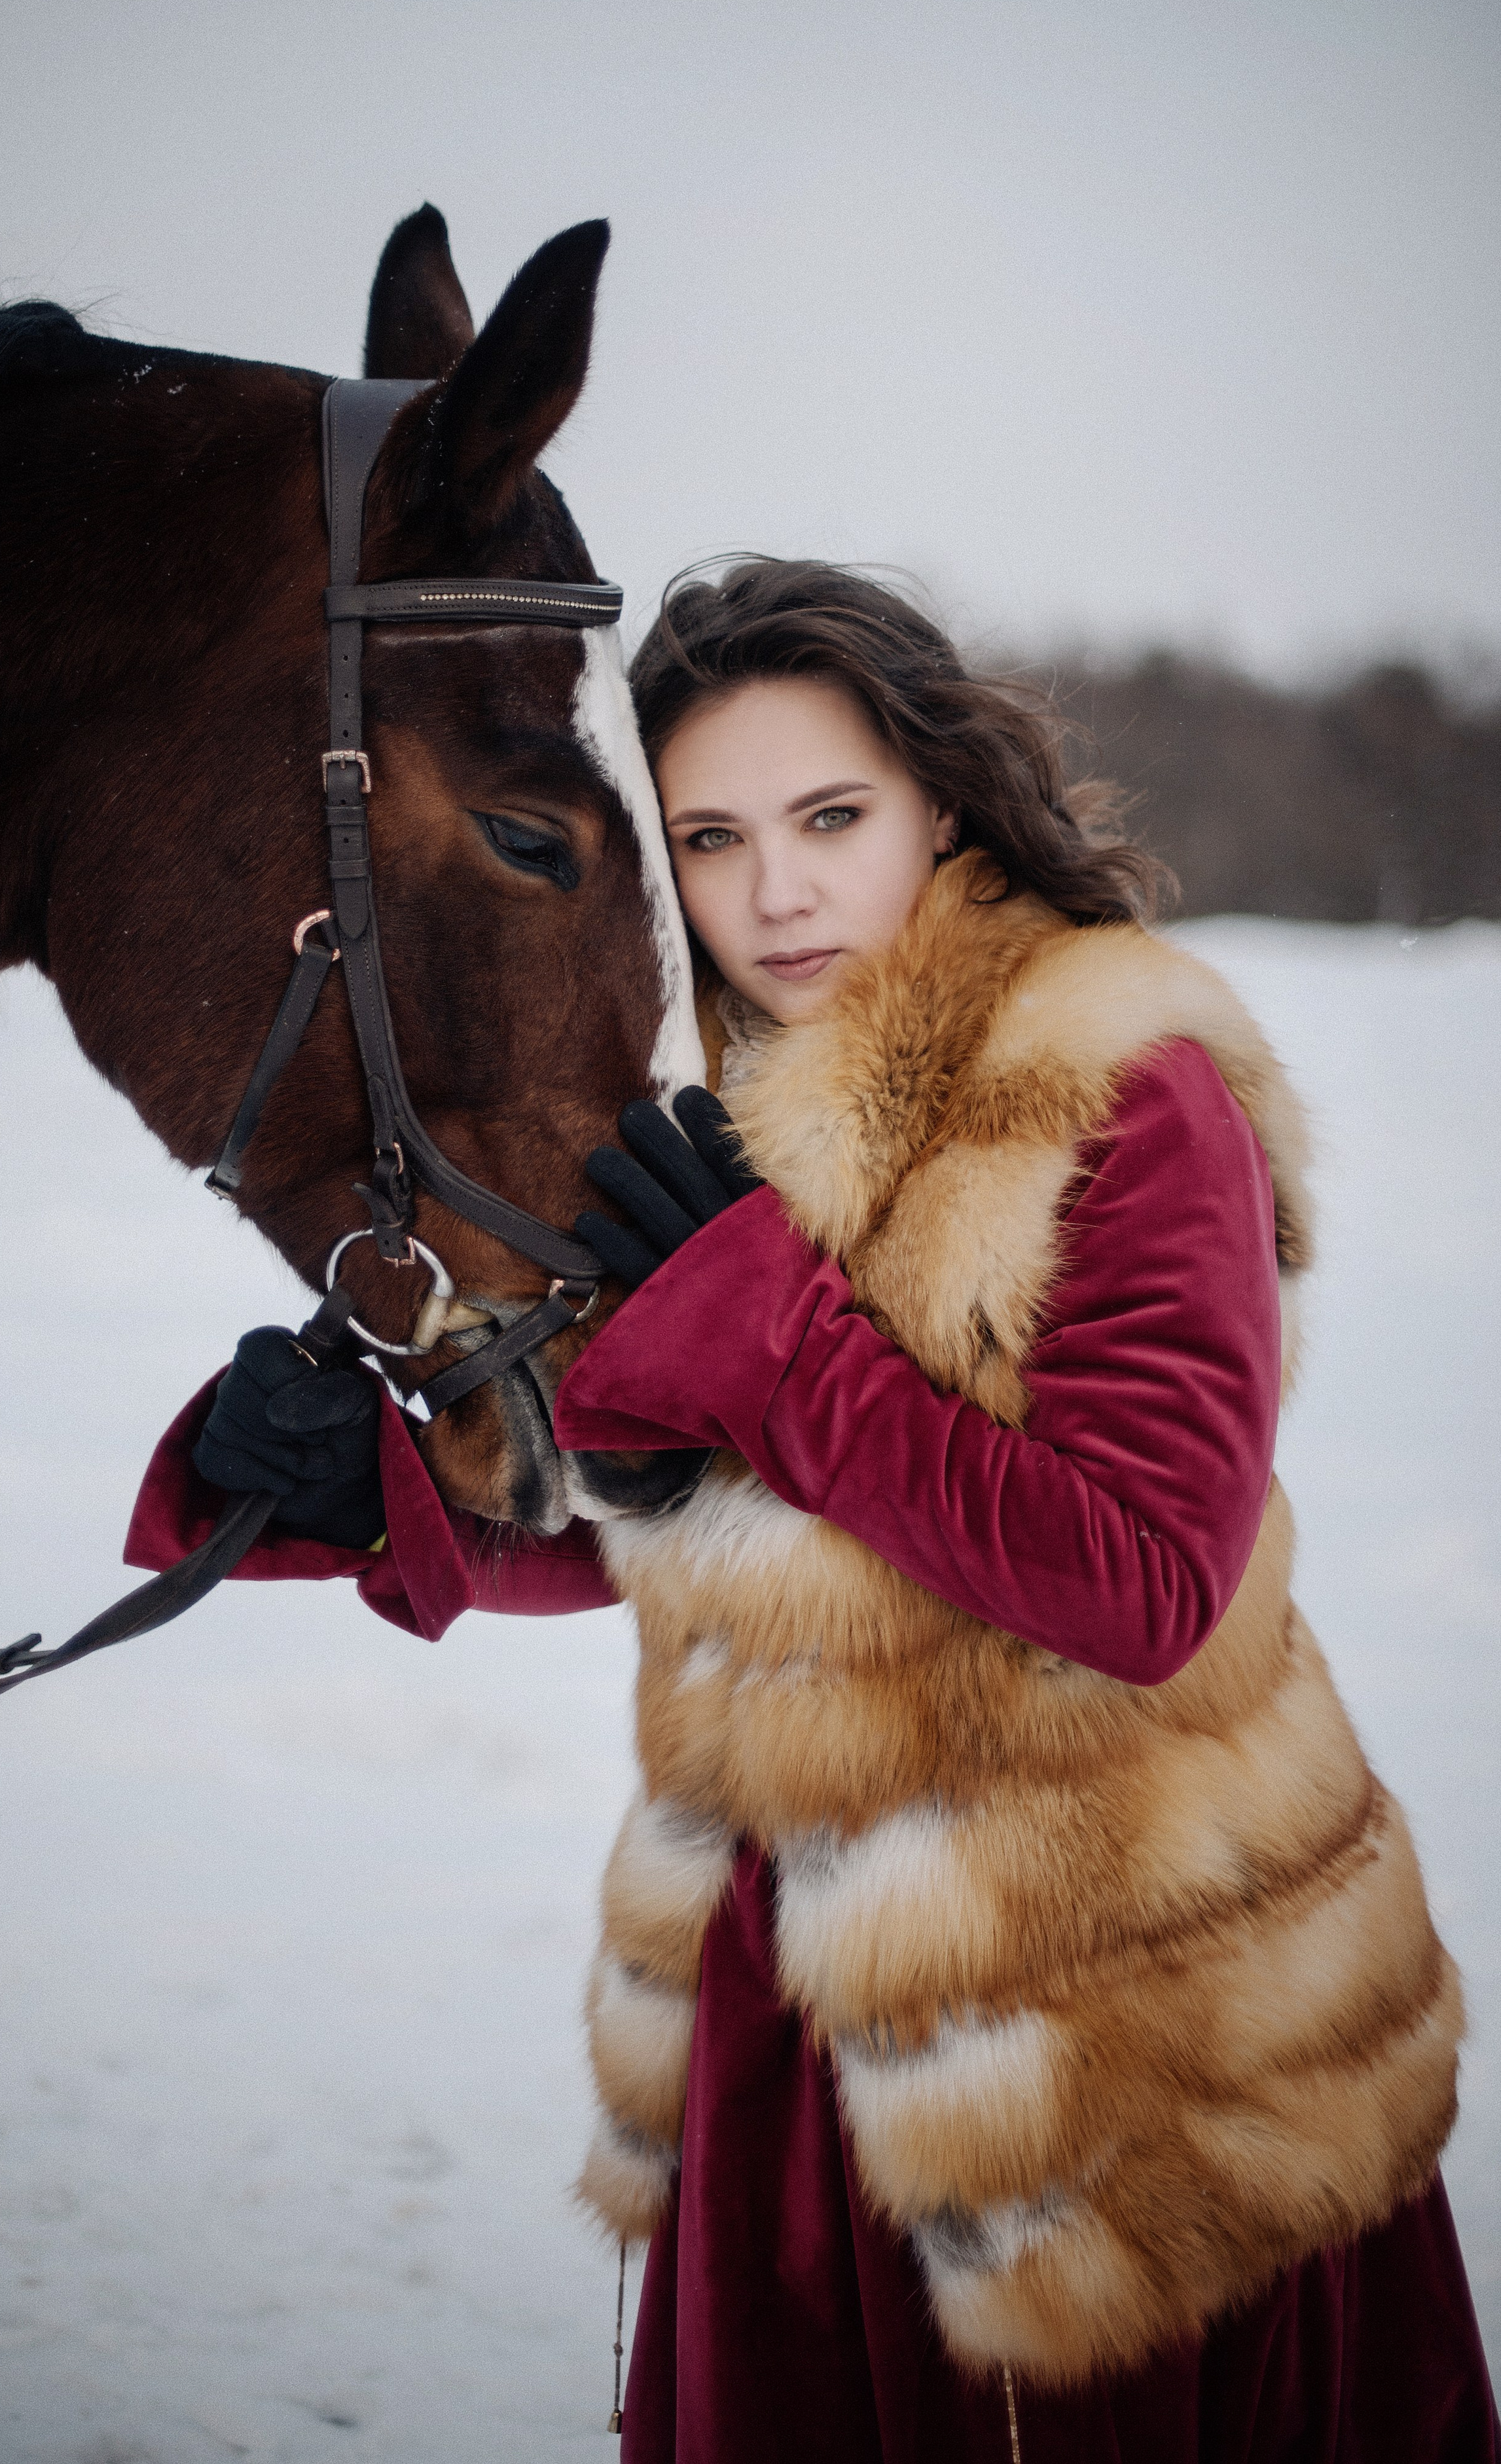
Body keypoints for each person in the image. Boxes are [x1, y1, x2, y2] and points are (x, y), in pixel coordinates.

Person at [128, 561, 1497, 2461]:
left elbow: (1144, 1572)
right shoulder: (716, 1108)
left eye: (830, 819)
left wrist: (764, 1331)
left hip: (1125, 2045)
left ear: (940, 802)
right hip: (794, 2036)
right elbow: (681, 1519)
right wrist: (373, 1488)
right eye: (711, 837)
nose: (776, 892)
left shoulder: (1117, 1084)